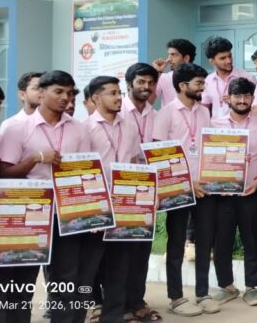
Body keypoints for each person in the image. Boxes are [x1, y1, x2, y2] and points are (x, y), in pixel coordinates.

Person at [0, 71, 96, 323]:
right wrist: (35, 158)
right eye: (58, 91)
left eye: (70, 93)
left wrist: (91, 212)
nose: (65, 98)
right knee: (22, 281)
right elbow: (4, 173)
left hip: (67, 213)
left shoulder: (79, 128)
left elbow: (85, 171)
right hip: (29, 212)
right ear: (41, 93)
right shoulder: (16, 127)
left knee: (66, 279)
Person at [152, 62, 215, 317]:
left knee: (204, 241)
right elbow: (159, 156)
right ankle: (176, 297)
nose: (203, 88)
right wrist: (188, 182)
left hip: (204, 187)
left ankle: (203, 293)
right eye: (199, 83)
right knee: (177, 242)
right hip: (178, 188)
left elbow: (208, 146)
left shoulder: (204, 112)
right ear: (182, 85)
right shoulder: (166, 113)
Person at [204, 77, 257, 307]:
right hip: (223, 195)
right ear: (227, 98)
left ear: (252, 98)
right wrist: (216, 180)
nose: (242, 100)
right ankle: (227, 286)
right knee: (222, 241)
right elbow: (208, 157)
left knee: (252, 240)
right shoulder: (214, 124)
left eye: (246, 96)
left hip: (252, 191)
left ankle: (252, 288)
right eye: (237, 96)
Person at [84, 76, 143, 322]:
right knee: (91, 265)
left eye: (120, 93)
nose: (119, 98)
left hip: (125, 204)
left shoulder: (129, 126)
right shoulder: (84, 128)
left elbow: (136, 161)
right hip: (96, 206)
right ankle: (88, 308)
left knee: (121, 264)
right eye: (112, 93)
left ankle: (114, 315)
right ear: (96, 98)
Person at [117, 62, 160, 321]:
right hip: (122, 188)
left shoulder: (155, 115)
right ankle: (117, 304)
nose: (146, 87)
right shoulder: (119, 112)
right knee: (120, 251)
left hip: (147, 189)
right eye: (141, 82)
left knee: (142, 248)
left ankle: (136, 299)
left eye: (151, 83)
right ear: (129, 84)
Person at [202, 37, 257, 118]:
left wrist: (236, 101)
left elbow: (256, 107)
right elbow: (205, 107)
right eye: (223, 58)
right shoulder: (208, 80)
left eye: (230, 56)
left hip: (242, 125)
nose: (229, 61)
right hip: (215, 125)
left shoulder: (248, 78)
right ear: (212, 61)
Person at [151, 38, 197, 107]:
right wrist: (157, 72)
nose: (169, 59)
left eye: (173, 55)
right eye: (169, 55)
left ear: (186, 58)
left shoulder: (200, 79)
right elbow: (149, 101)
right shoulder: (163, 78)